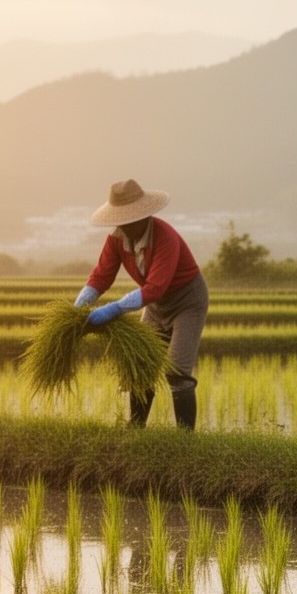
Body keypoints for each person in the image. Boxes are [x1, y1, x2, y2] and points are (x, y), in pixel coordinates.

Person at [75, 178, 209, 431]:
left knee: (177, 372)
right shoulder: (116, 238)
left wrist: (112, 309)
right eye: (120, 219)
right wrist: (81, 303)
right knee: (141, 364)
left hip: (187, 302)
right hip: (156, 305)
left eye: (129, 219)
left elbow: (156, 286)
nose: (124, 225)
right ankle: (135, 429)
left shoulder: (165, 237)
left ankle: (186, 440)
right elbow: (102, 275)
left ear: (143, 216)